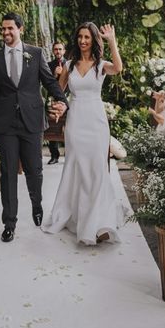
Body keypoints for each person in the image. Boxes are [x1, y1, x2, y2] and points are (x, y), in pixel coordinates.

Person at [41, 23, 132, 245]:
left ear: (93, 40)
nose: (83, 41)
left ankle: (100, 222)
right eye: (80, 36)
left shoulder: (101, 65)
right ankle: (78, 216)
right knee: (77, 166)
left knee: (97, 169)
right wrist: (57, 106)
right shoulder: (69, 65)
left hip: (97, 122)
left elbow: (118, 68)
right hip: (75, 122)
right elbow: (58, 92)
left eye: (87, 37)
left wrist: (112, 40)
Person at [0, 12, 67, 243]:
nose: (6, 32)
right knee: (8, 173)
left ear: (21, 29)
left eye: (10, 28)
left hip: (32, 120)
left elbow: (49, 81)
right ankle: (9, 223)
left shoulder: (36, 54)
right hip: (5, 124)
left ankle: (37, 205)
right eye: (3, 29)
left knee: (35, 170)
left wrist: (62, 100)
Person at [47, 41, 66, 164]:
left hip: (67, 98)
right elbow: (47, 83)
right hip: (52, 99)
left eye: (60, 49)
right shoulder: (48, 65)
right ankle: (54, 156)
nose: (58, 51)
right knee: (52, 128)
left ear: (64, 51)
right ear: (53, 51)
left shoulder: (70, 64)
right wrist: (54, 75)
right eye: (56, 49)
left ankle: (70, 155)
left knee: (68, 127)